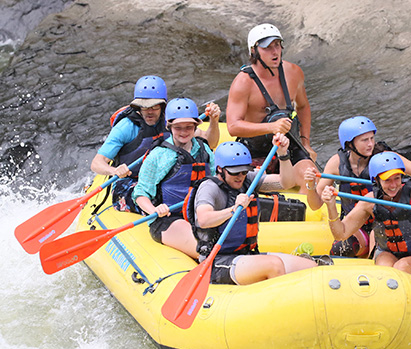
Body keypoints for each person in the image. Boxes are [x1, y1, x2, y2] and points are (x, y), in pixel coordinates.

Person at [303, 116, 411, 258]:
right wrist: (311, 185)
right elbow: (315, 205)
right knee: (343, 248)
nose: (370, 144)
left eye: (372, 138)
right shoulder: (336, 163)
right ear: (349, 143)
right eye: (364, 140)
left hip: (384, 220)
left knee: (377, 242)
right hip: (354, 223)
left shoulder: (386, 159)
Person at [189, 137, 318, 285]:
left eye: (244, 171)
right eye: (235, 172)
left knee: (310, 267)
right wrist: (233, 210)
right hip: (218, 261)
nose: (240, 177)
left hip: (247, 255)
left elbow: (286, 183)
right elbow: (204, 219)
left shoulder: (248, 180)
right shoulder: (209, 188)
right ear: (220, 169)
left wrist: (283, 155)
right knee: (274, 265)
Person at [91, 75, 220, 211]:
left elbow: (210, 143)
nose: (150, 112)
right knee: (157, 200)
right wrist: (114, 170)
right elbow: (97, 163)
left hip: (161, 177)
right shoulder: (126, 127)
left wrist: (214, 121)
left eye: (155, 106)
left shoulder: (173, 122)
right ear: (138, 107)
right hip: (131, 180)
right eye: (145, 107)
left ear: (163, 106)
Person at [321, 151, 411, 281]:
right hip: (389, 253)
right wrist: (331, 206)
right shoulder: (370, 201)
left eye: (397, 178)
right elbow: (341, 233)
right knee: (385, 271)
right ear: (377, 180)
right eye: (387, 180)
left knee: (402, 267)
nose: (393, 185)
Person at [226, 23, 316, 192]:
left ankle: (310, 213)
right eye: (267, 48)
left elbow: (303, 107)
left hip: (290, 145)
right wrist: (271, 127)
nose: (275, 52)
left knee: (311, 177)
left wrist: (306, 143)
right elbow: (233, 126)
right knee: (250, 186)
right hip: (256, 151)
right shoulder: (243, 83)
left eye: (277, 45)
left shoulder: (294, 72)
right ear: (254, 51)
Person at [131, 97, 216, 259]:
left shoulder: (204, 150)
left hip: (199, 214)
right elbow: (140, 193)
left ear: (196, 126)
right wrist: (154, 210)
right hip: (168, 219)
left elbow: (214, 184)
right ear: (169, 126)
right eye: (178, 128)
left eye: (188, 127)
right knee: (206, 249)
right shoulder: (158, 155)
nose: (183, 132)